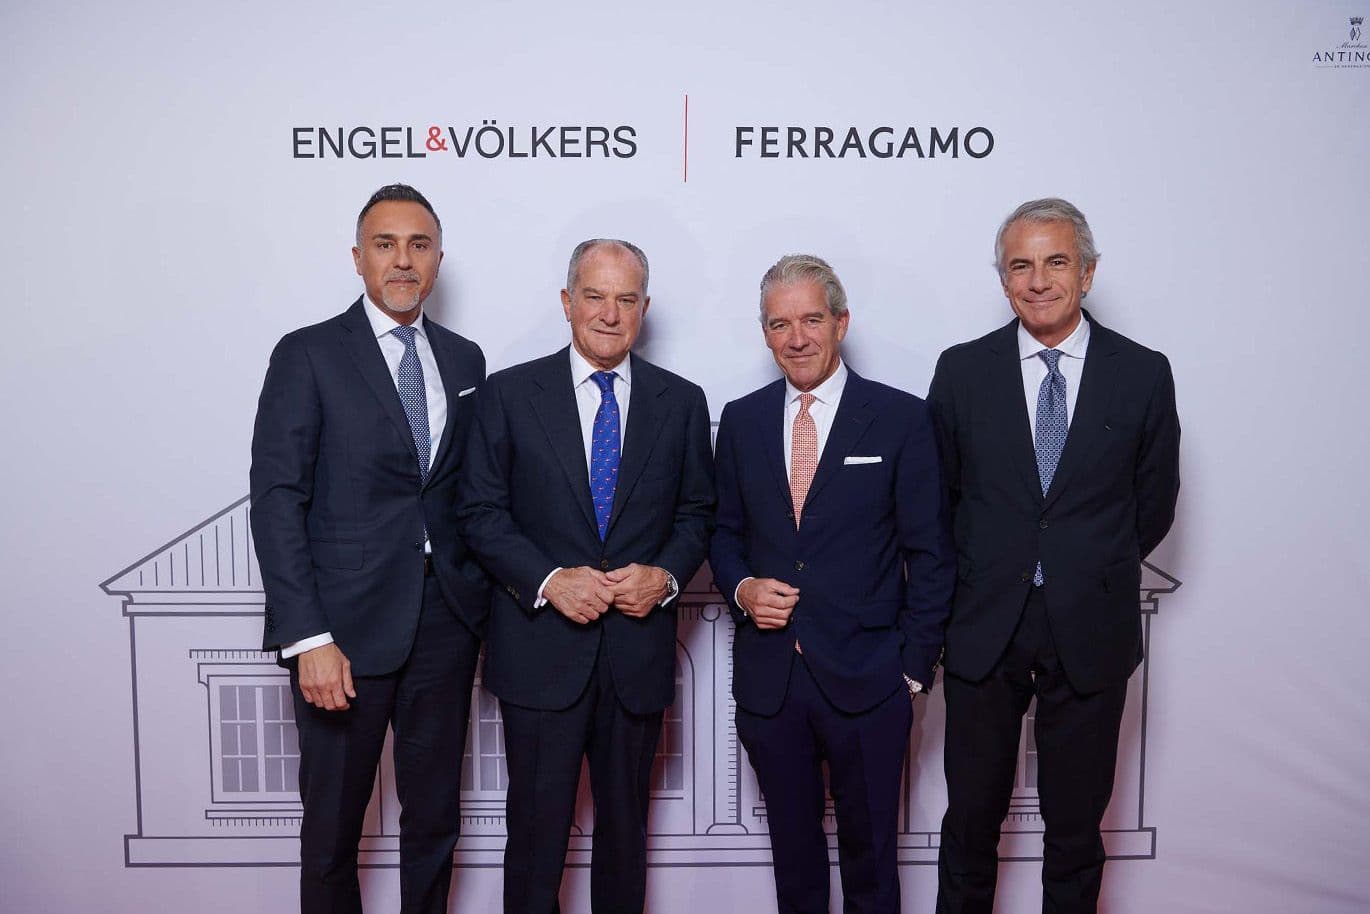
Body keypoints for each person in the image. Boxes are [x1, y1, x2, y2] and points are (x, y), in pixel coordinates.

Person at [928, 198, 1181, 914]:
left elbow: (1154, 501)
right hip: (983, 627)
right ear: (1004, 280)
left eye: (1056, 261)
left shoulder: (1142, 373)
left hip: (1089, 630)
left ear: (1089, 273)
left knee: (1074, 833)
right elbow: (937, 502)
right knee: (970, 824)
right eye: (1021, 265)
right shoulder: (962, 371)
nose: (1038, 280)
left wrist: (1084, 567)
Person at [250, 184, 490, 914]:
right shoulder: (309, 354)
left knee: (435, 825)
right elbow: (276, 499)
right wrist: (307, 636)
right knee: (331, 830)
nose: (403, 260)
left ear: (439, 260)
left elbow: (466, 496)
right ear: (358, 258)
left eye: (419, 245)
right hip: (342, 636)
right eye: (385, 244)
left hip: (444, 626)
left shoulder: (465, 358)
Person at [455, 239, 714, 914]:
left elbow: (697, 513)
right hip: (541, 652)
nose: (609, 313)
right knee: (537, 839)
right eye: (595, 296)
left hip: (636, 654)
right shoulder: (508, 396)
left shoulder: (682, 403)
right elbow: (479, 512)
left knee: (626, 841)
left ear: (644, 309)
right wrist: (548, 580)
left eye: (626, 299)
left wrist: (664, 576)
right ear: (568, 303)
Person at [710, 254, 955, 914]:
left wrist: (911, 669)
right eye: (780, 323)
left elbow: (931, 552)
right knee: (793, 860)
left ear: (841, 322)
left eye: (812, 319)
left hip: (872, 678)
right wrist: (740, 591)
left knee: (872, 861)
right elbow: (723, 533)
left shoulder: (901, 419)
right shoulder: (740, 420)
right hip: (771, 680)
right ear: (764, 332)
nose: (797, 338)